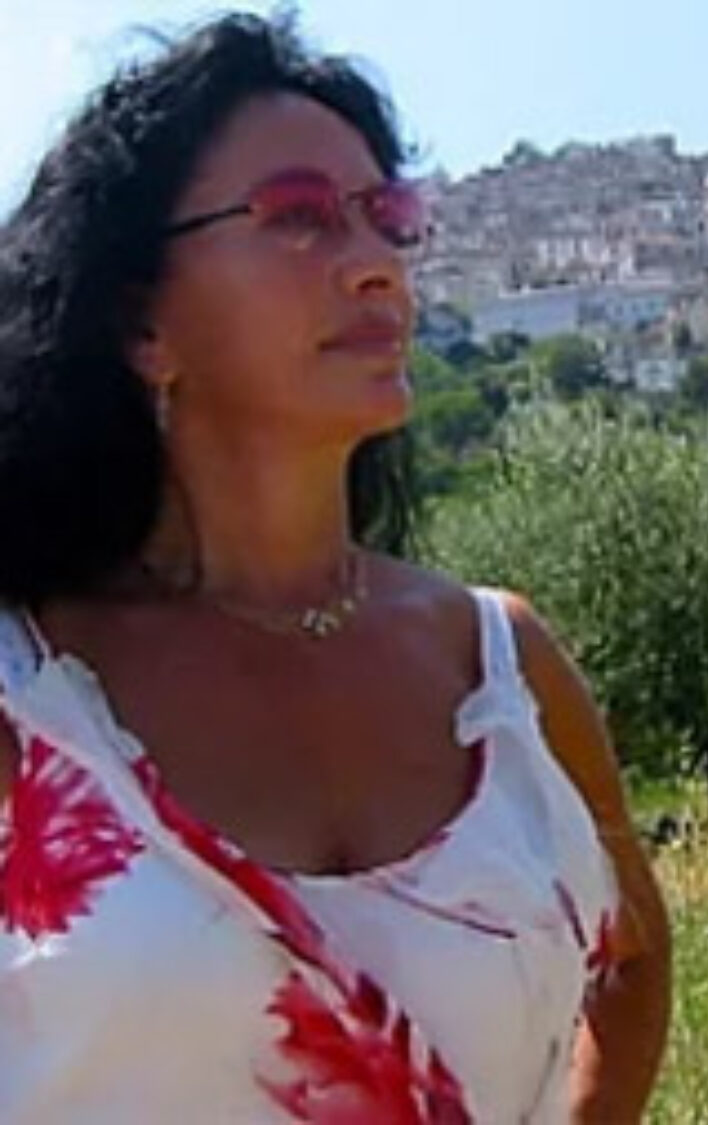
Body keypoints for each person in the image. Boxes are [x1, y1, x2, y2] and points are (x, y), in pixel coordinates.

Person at [0, 12, 670, 1123]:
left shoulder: (501, 669)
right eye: (300, 218)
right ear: (139, 323)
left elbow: (632, 961)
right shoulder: (27, 688)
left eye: (388, 219)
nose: (374, 268)